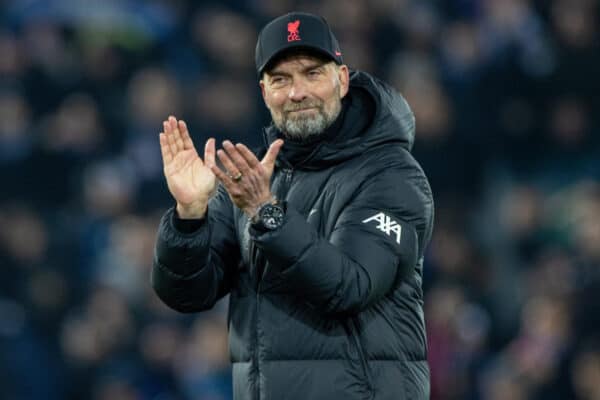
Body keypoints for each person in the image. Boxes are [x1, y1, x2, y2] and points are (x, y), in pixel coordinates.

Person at [152, 11, 434, 400]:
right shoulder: (251, 178)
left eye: (312, 73)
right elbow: (187, 294)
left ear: (342, 79)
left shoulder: (390, 175)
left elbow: (350, 285)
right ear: (264, 93)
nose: (297, 92)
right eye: (281, 79)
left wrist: (266, 212)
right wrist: (190, 216)